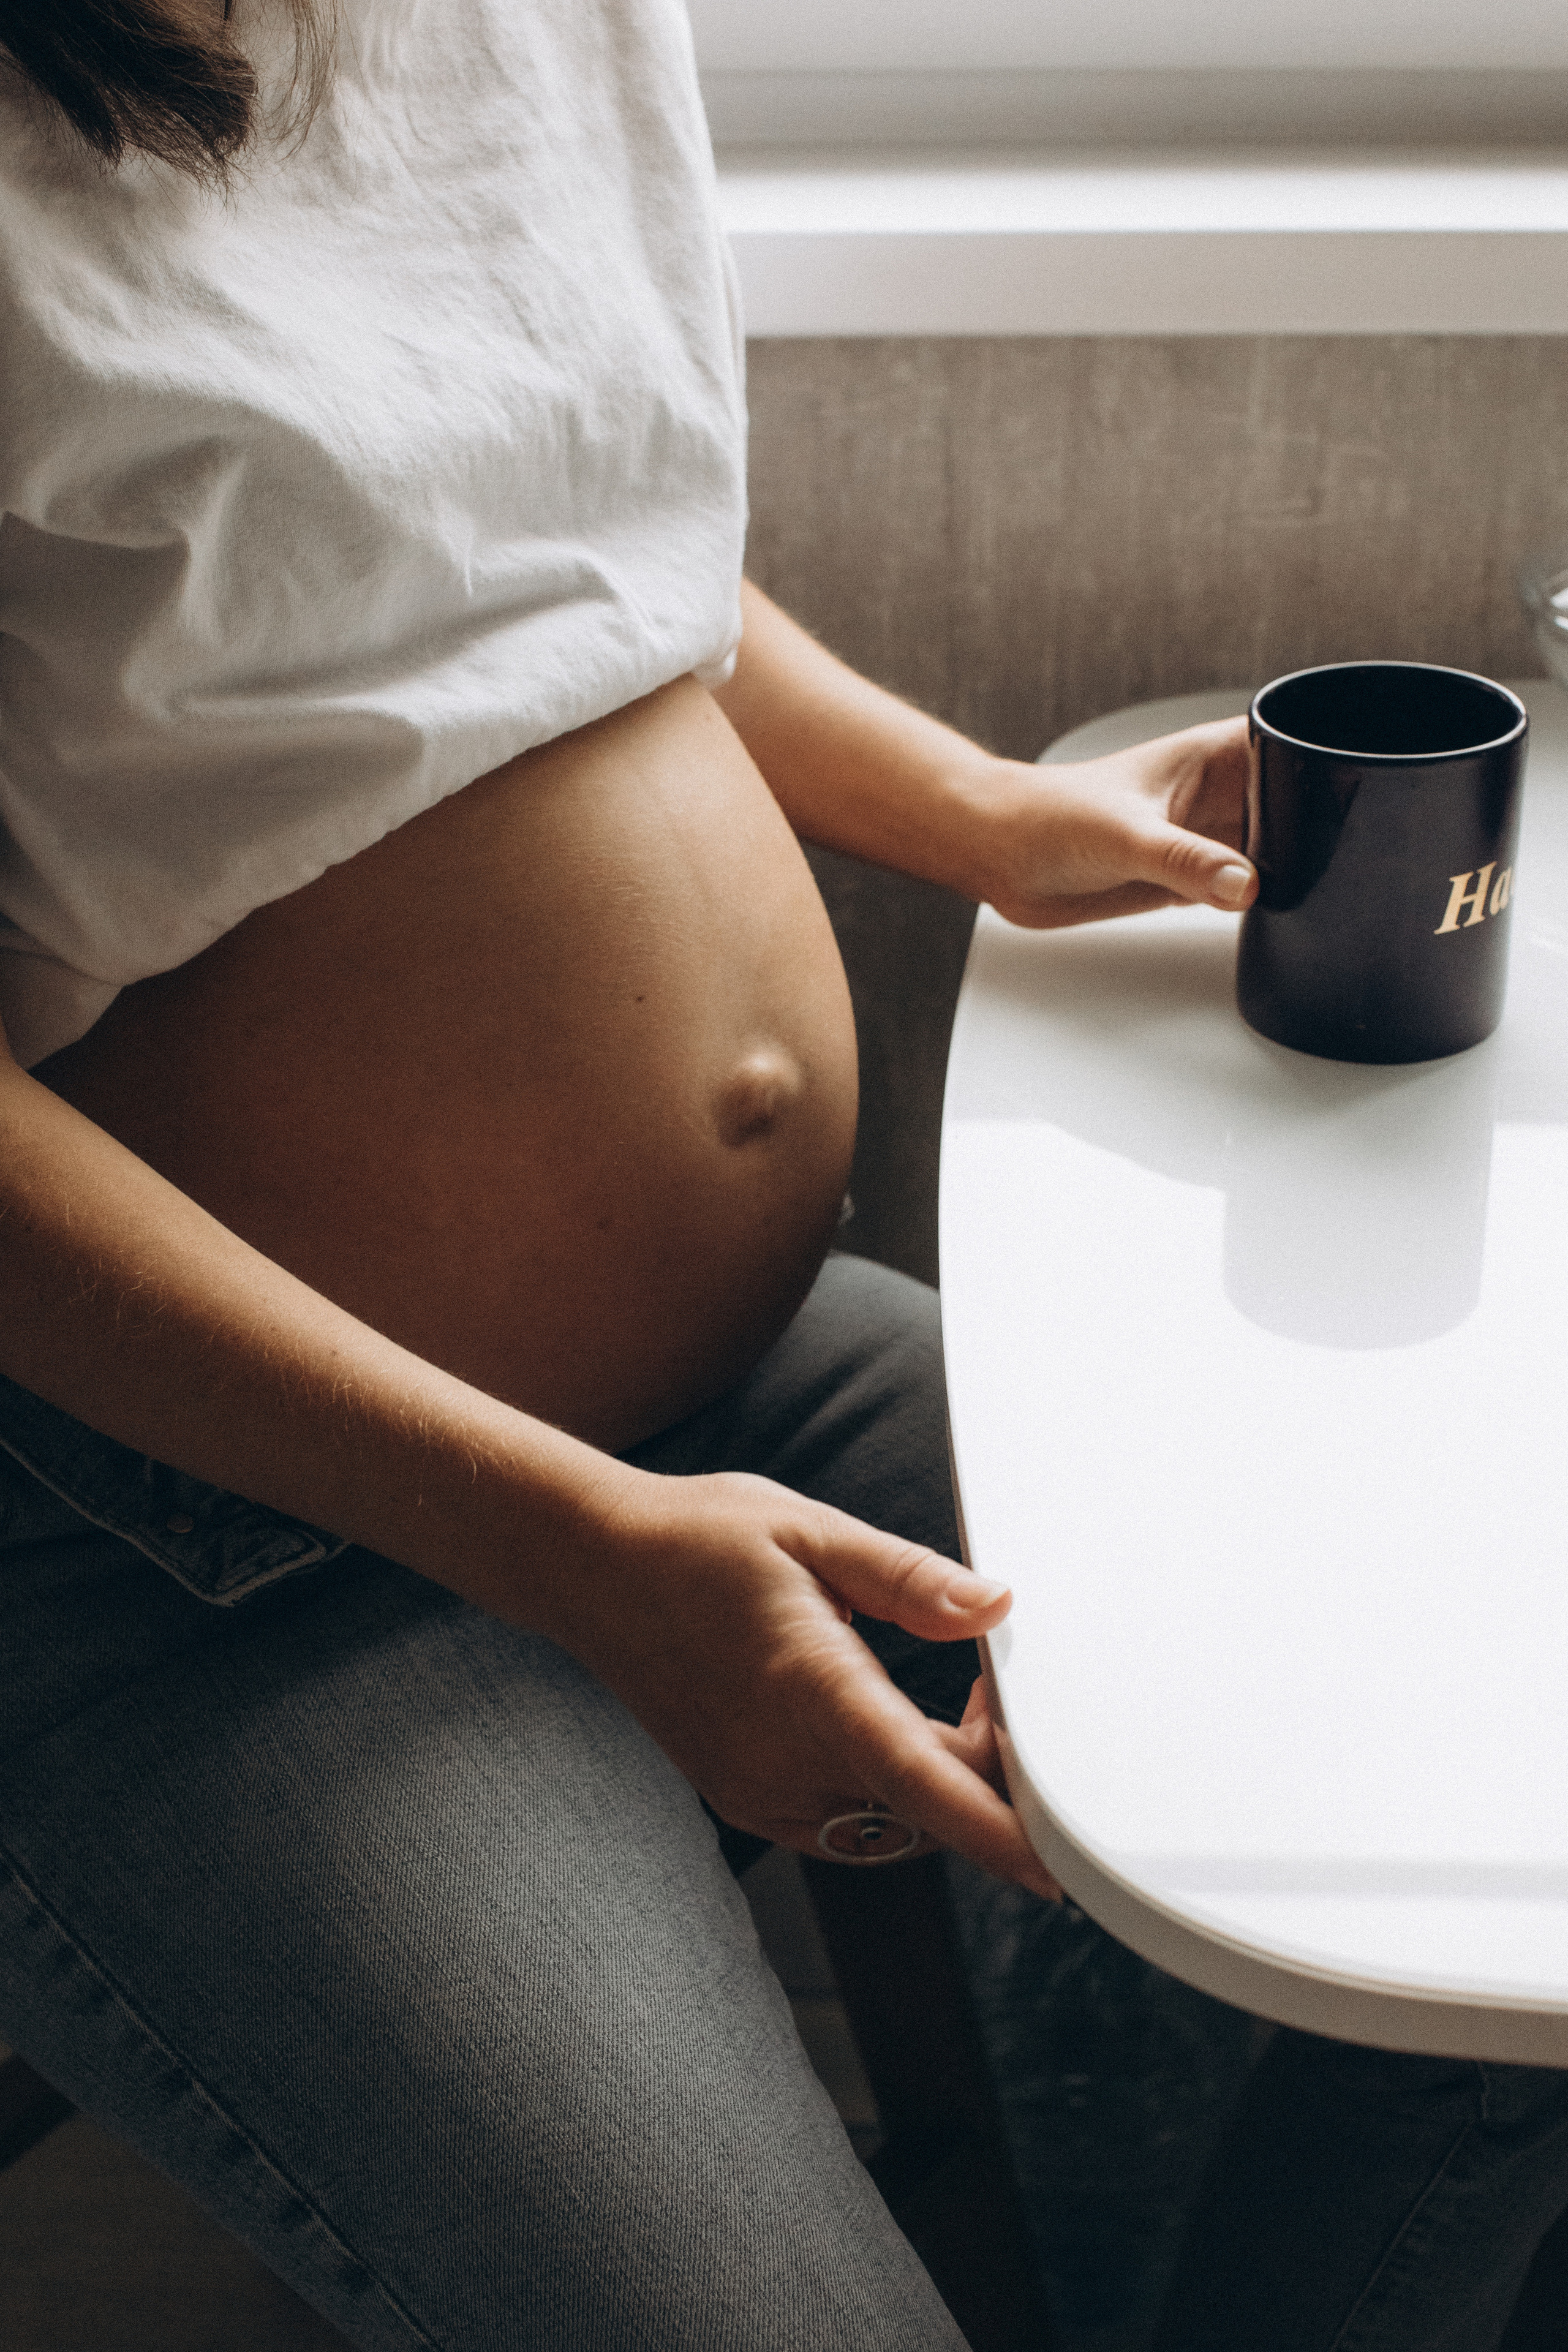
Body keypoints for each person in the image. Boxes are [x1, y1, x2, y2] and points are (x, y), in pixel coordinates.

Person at [2, 6, 1566, 2348]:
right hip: (206, 1547)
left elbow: (526, 527)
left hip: (729, 1379)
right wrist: (580, 1546)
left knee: (1505, 1886)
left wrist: (972, 809)